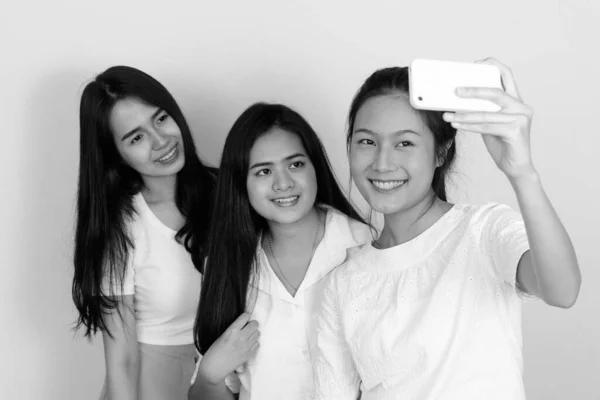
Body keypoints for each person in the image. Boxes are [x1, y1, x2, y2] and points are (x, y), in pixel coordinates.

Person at [313, 59, 581, 400]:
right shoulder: (343, 284)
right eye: (367, 141)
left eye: (405, 143)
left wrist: (522, 172)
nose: (382, 163)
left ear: (441, 151)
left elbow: (562, 291)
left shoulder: (483, 231)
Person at [189, 103, 372, 400]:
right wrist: (210, 375)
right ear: (241, 184)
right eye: (263, 171)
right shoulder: (224, 268)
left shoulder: (366, 245)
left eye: (295, 164)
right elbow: (204, 394)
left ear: (315, 167)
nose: (283, 183)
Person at [72, 66, 216, 400]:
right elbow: (120, 361)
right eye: (136, 138)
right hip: (150, 385)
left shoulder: (225, 192)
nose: (161, 140)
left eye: (161, 118)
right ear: (116, 155)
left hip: (222, 378)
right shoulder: (119, 226)